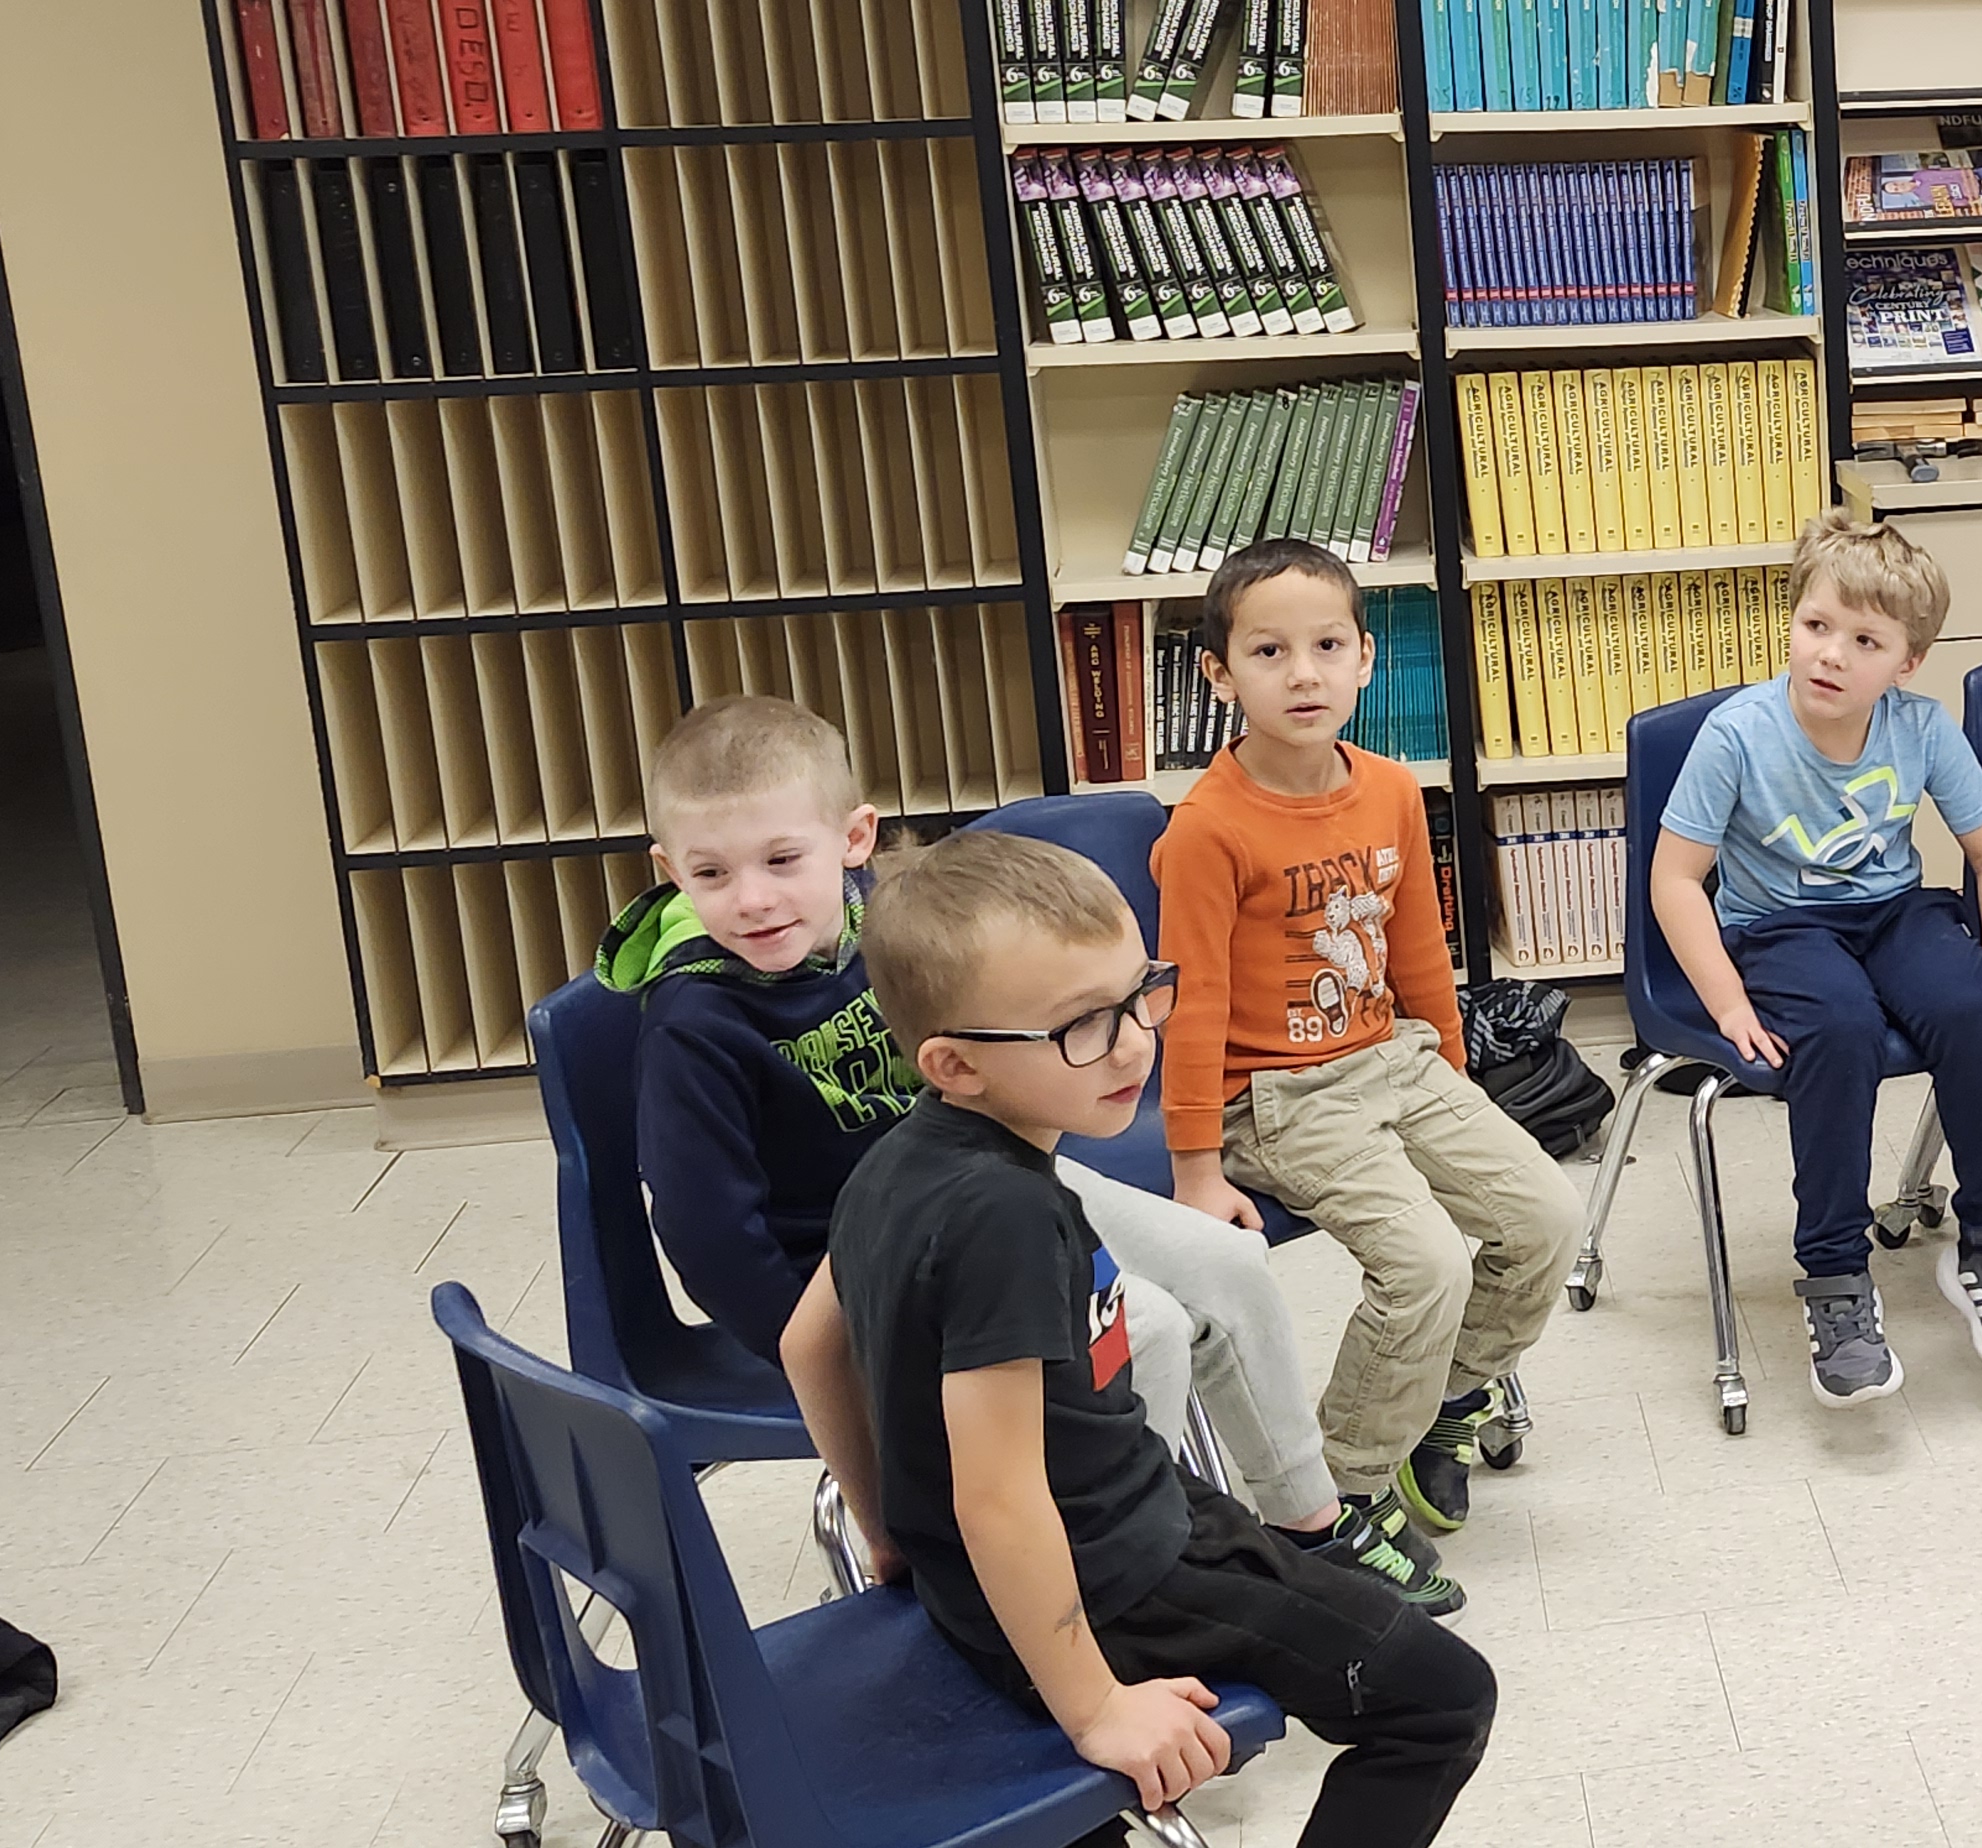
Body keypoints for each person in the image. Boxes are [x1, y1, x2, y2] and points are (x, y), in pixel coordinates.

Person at [602, 694, 1456, 1611]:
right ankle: (1137, 1576)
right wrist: (842, 1362)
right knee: (1151, 1329)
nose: (754, 898)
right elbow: (708, 1235)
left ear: (854, 839)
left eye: (781, 860)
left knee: (1230, 1261)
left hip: (998, 1180)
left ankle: (1305, 1523)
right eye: (712, 873)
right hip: (868, 1275)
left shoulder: (885, 924)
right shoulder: (691, 1026)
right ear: (667, 871)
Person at [778, 832, 1495, 1845]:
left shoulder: (896, 1158)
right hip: (1119, 1574)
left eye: (1137, 995)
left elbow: (809, 1346)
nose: (1129, 1044)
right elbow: (996, 1495)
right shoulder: (1007, 1217)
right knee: (1443, 1697)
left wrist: (889, 1533)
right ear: (956, 1064)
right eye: (1079, 1026)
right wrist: (1094, 1708)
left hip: (1106, 1522)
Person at [1158, 539, 1579, 1538]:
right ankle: (1339, 1494)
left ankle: (1441, 1403)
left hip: (1398, 1062)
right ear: (1219, 674)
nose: (1302, 674)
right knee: (1426, 1265)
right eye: (1268, 653)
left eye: (1326, 645)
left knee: (1548, 1219)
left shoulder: (1391, 788)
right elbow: (1194, 1003)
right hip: (1278, 1093)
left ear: (1364, 658)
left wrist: (1456, 1079)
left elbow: (1420, 947)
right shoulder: (1207, 831)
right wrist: (1194, 1170)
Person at [1650, 509, 1982, 1403]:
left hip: (1894, 913)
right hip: (1778, 931)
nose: (1831, 653)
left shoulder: (1918, 726)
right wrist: (1725, 1003)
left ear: (1907, 662)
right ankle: (1835, 1277)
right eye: (1816, 626)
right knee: (1840, 1030)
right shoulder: (1738, 734)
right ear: (1792, 623)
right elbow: (1677, 881)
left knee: (1968, 1013)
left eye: (1864, 639)